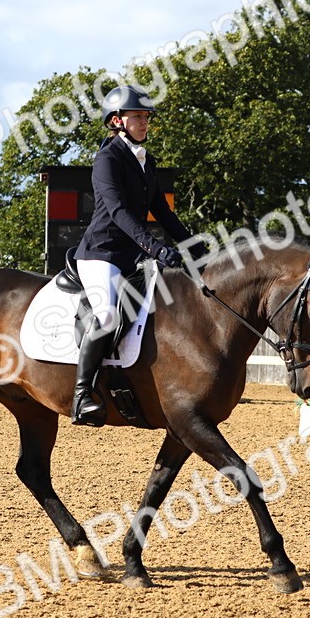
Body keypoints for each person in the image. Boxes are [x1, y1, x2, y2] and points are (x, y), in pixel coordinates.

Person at [70, 84, 200, 426]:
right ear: (117, 120)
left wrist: (191, 244)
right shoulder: (107, 159)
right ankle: (82, 395)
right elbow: (118, 212)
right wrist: (155, 247)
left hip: (131, 257)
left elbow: (162, 212)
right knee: (109, 317)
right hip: (102, 254)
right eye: (138, 116)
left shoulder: (147, 161)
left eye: (146, 117)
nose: (145, 122)